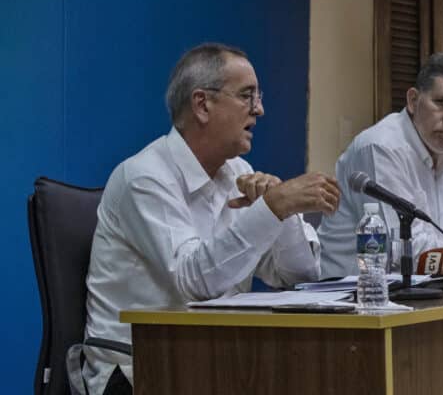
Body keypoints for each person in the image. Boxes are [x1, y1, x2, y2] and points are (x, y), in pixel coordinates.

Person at [82, 43, 341, 395]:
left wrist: (283, 211)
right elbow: (193, 282)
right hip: (138, 370)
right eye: (247, 96)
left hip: (214, 360)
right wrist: (272, 207)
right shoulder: (144, 177)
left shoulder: (238, 172)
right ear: (203, 104)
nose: (260, 110)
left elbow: (297, 275)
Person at [319, 53, 443, 277]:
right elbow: (404, 252)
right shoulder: (381, 147)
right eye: (442, 103)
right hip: (353, 296)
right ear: (412, 100)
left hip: (428, 290)